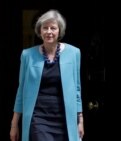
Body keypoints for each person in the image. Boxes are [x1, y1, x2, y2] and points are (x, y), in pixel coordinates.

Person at [10, 9, 84, 141]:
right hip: (38, 118)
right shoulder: (28, 55)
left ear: (59, 31)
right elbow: (21, 91)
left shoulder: (74, 53)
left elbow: (77, 90)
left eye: (53, 28)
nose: (49, 31)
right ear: (40, 31)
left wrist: (80, 120)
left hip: (64, 118)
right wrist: (14, 124)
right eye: (45, 28)